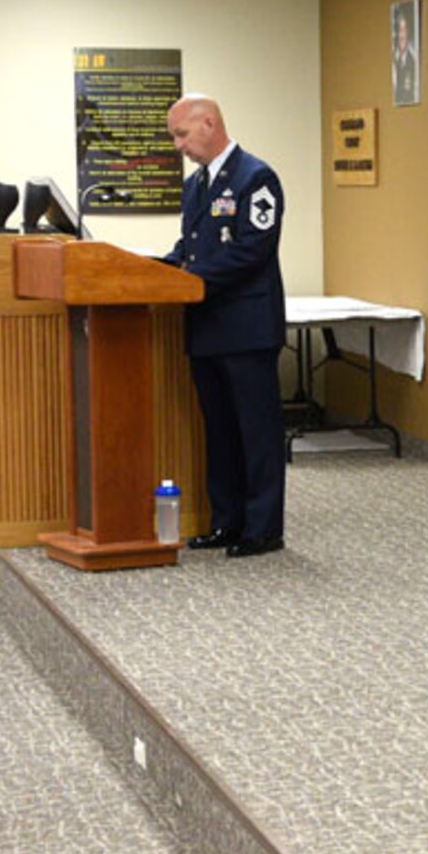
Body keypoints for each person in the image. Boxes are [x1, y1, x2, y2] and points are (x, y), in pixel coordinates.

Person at [163, 94, 287, 558]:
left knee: (255, 431)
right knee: (219, 431)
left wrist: (188, 278)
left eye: (181, 134)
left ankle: (263, 528)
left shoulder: (256, 178)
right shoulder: (197, 186)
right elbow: (189, 247)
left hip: (247, 327)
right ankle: (227, 522)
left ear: (208, 124)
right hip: (207, 326)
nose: (178, 146)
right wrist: (157, 270)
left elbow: (252, 250)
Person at [392, 6, 419, 107]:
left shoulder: (413, 61)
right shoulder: (392, 61)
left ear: (408, 32)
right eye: (399, 30)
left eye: (404, 30)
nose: (401, 35)